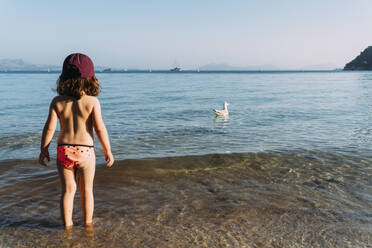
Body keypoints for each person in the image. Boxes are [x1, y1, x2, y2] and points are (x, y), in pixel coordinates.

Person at [39, 53, 114, 229]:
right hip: (86, 151)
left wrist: (44, 149)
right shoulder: (92, 102)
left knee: (68, 191)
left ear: (63, 78)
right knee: (87, 190)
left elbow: (49, 128)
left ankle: (67, 225)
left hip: (63, 150)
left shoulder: (57, 101)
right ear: (91, 78)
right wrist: (107, 150)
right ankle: (88, 223)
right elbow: (100, 128)